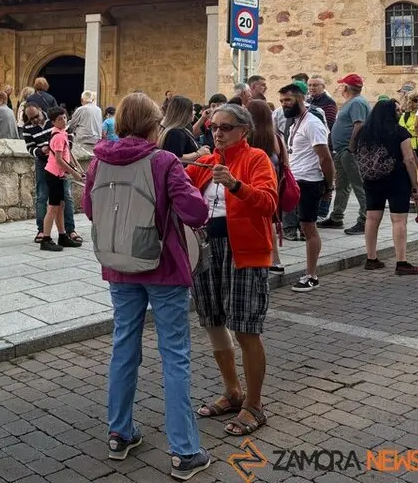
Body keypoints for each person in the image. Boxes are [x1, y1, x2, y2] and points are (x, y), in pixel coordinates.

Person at [82, 92, 211, 480]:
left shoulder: (98, 160)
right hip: (164, 266)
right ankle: (184, 450)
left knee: (124, 345)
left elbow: (91, 208)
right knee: (175, 354)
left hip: (119, 265)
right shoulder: (163, 161)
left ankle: (119, 432)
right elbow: (196, 211)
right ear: (152, 124)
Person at [186, 104, 278, 438]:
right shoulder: (206, 162)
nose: (219, 133)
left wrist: (236, 184)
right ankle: (233, 390)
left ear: (244, 130)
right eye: (214, 127)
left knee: (245, 329)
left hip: (244, 253)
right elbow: (177, 189)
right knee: (212, 322)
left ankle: (254, 404)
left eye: (226, 127)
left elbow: (269, 203)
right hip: (207, 250)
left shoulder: (256, 159)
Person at [277, 83, 335, 292]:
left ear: (301, 99)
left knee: (308, 227)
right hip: (295, 180)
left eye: (288, 100)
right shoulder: (295, 124)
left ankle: (311, 275)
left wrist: (329, 186)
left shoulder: (312, 123)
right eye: (282, 101)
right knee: (280, 220)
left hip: (310, 182)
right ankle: (276, 262)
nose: (284, 105)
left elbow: (325, 158)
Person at [354, 99, 418, 274]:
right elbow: (408, 159)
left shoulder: (364, 132)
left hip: (371, 179)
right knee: (399, 220)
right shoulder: (400, 132)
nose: (399, 113)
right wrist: (415, 185)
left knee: (371, 218)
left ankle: (371, 258)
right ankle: (401, 262)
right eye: (397, 110)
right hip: (396, 179)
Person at [22, 104, 84, 251]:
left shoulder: (61, 132)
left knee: (61, 205)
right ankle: (46, 238)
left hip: (59, 172)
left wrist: (77, 168)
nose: (64, 120)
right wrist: (74, 173)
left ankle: (63, 235)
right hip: (54, 173)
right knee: (52, 207)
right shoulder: (57, 136)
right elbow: (58, 159)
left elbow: (67, 150)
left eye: (64, 117)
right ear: (54, 122)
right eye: (60, 119)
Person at [319, 74, 369, 235]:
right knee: (342, 185)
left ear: (346, 87)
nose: (340, 88)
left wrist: (351, 146)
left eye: (342, 85)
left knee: (358, 185)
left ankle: (365, 219)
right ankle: (336, 216)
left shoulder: (357, 103)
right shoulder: (353, 102)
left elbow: (359, 124)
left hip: (349, 151)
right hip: (342, 151)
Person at [247, 100, 288, 273]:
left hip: (252, 184)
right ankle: (275, 260)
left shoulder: (248, 137)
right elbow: (286, 163)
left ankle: (263, 257)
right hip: (273, 185)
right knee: (270, 220)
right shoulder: (276, 137)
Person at [160, 96, 210, 163]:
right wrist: (199, 154)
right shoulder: (175, 132)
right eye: (192, 110)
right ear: (185, 113)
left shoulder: (181, 129)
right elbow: (175, 158)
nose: (194, 112)